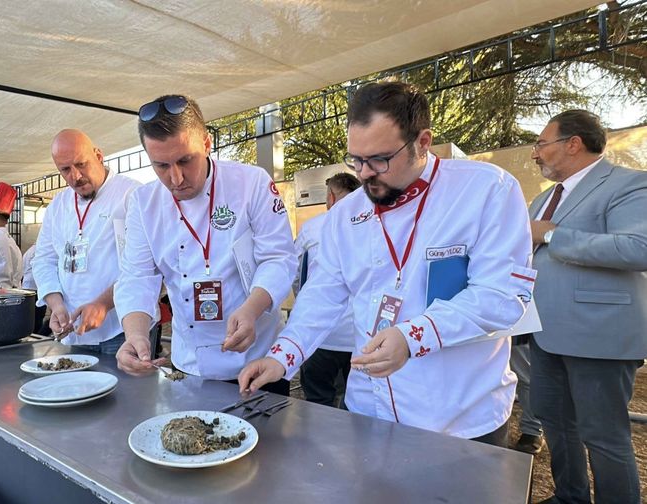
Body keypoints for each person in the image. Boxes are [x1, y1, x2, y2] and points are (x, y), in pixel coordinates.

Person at [239, 82, 535, 445]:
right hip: (370, 410)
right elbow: (322, 296)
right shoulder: (345, 215)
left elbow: (503, 296)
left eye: (379, 159)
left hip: (459, 417)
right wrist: (282, 356)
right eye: (355, 160)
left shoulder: (487, 190)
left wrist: (413, 337)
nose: (364, 173)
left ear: (422, 142)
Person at [115, 95, 297, 393]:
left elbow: (278, 259)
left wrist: (251, 310)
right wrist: (134, 335)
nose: (176, 178)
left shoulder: (251, 183)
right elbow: (137, 276)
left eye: (185, 160)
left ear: (207, 143)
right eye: (161, 165)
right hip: (189, 365)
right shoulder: (142, 202)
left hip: (256, 361)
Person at [529, 110, 647, 504]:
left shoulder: (628, 184)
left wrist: (551, 235)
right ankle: (570, 497)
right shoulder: (543, 198)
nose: (536, 154)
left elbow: (638, 248)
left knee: (604, 436)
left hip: (600, 333)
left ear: (573, 144)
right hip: (545, 334)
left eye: (541, 144)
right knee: (557, 425)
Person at [32, 129, 141, 352]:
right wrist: (56, 305)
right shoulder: (58, 206)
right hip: (73, 328)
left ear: (98, 156)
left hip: (122, 329)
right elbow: (43, 259)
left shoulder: (131, 194)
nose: (75, 176)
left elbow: (141, 265)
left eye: (81, 164)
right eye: (65, 170)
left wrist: (103, 304)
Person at [294, 172, 360, 407]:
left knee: (317, 402)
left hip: (320, 335)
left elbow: (295, 275)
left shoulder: (312, 228)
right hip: (361, 337)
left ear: (331, 197)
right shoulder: (375, 226)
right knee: (356, 404)